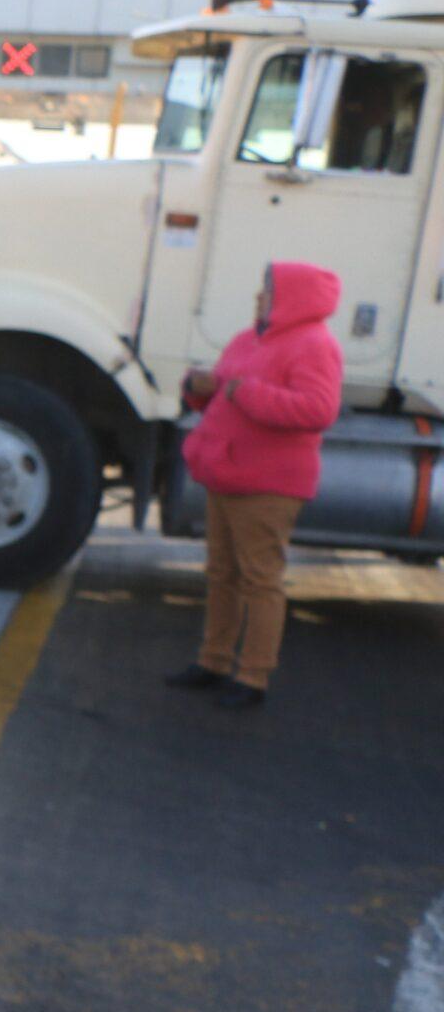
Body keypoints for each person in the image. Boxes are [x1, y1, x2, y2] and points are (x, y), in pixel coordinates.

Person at [167, 262, 344, 711]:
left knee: (260, 579)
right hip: (227, 473)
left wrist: (242, 390)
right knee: (222, 573)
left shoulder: (315, 344)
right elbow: (224, 391)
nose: (258, 297)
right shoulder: (247, 340)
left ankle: (253, 676)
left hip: (268, 484)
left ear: (292, 298)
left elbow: (318, 410)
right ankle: (214, 661)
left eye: (267, 291)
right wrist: (199, 388)